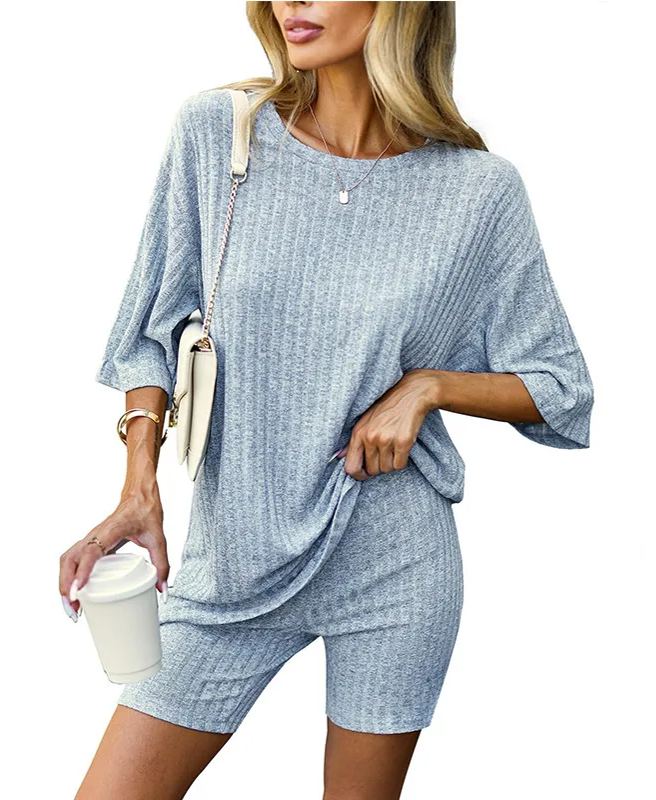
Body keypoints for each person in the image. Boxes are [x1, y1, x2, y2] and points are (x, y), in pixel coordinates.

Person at [62, 3, 594, 798]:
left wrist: (429, 387)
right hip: (232, 559)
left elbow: (560, 387)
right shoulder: (220, 135)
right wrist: (138, 485)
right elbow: (150, 331)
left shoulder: (477, 191)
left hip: (393, 561)